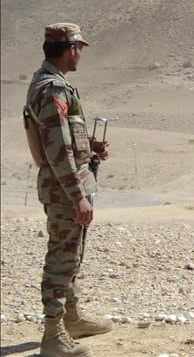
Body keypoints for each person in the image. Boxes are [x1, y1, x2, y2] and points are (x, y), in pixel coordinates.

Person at [24, 23, 113, 357]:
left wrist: (89, 147)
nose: (80, 55)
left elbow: (61, 136)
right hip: (65, 189)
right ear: (69, 48)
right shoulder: (52, 89)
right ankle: (53, 337)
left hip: (66, 184)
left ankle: (71, 318)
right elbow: (57, 148)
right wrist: (77, 196)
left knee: (70, 254)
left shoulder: (54, 85)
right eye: (79, 48)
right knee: (61, 259)